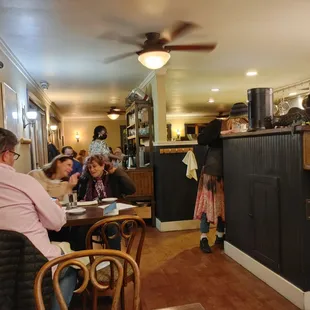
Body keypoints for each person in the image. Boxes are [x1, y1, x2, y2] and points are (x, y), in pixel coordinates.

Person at [0, 128, 76, 309]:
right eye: (14, 155)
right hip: (33, 264)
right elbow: (57, 223)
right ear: (6, 154)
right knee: (70, 268)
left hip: (4, 272)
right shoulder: (24, 181)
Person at [194, 102, 248, 254]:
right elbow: (201, 139)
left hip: (232, 172)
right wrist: (222, 134)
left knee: (224, 206)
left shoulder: (246, 127)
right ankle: (203, 237)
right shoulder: (218, 124)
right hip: (213, 171)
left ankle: (220, 235)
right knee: (208, 205)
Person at [72, 155, 136, 251]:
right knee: (79, 229)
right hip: (92, 213)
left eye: (94, 166)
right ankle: (84, 259)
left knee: (111, 226)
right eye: (89, 167)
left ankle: (114, 258)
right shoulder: (86, 179)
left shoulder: (112, 177)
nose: (92, 170)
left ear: (102, 166)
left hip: (111, 210)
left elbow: (131, 189)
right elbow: (80, 198)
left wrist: (117, 171)